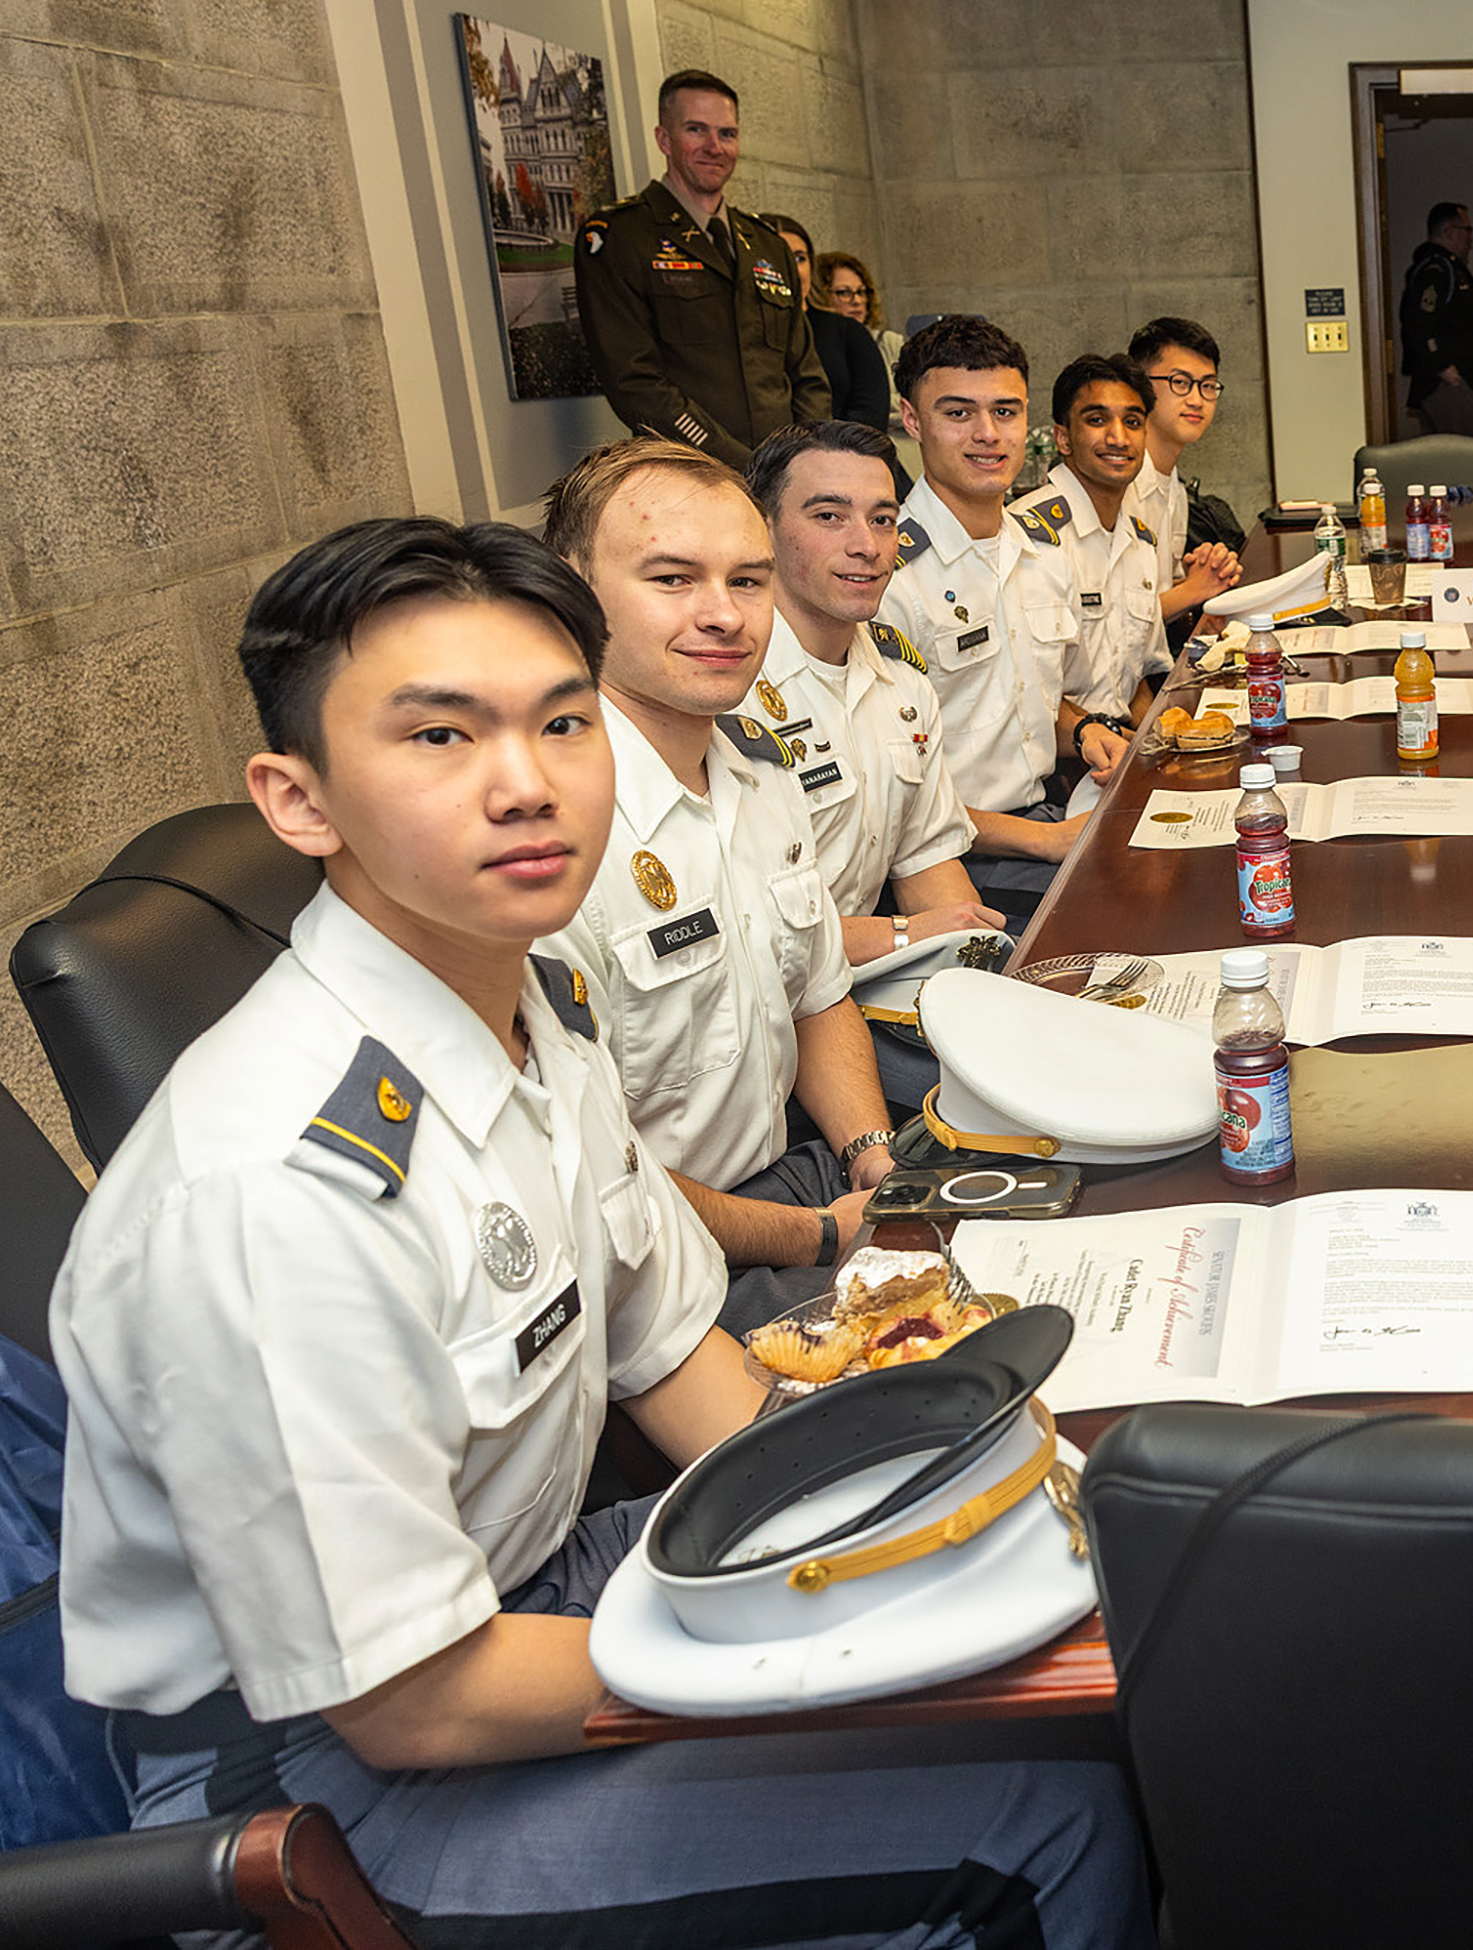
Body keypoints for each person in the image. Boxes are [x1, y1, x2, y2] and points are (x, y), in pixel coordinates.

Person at [49, 515, 1151, 1946]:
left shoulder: (520, 1010)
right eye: (441, 739)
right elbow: (410, 1696)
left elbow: (681, 1354)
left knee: (1071, 1591)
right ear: (298, 799)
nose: (527, 785)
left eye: (562, 722)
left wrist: (874, 1508)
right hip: (329, 1776)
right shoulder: (271, 1190)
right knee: (1042, 1822)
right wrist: (833, 1651)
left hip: (532, 1582)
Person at [535, 438, 902, 1334]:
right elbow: (595, 1178)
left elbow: (817, 998)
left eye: (747, 581)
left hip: (800, 1181)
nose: (725, 616)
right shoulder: (549, 839)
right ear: (572, 593)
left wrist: (874, 1158)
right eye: (671, 580)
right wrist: (814, 1236)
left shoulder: (757, 771)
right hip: (662, 1270)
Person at [740, 420, 1012, 1101]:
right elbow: (755, 940)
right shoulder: (729, 696)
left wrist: (972, 968)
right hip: (774, 1019)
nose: (866, 546)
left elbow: (927, 859)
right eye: (829, 516)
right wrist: (910, 931)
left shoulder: (901, 680)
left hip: (881, 975)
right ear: (764, 532)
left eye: (883, 519)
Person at [878, 316, 1104, 923]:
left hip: (1044, 816)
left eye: (1005, 412)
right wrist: (1049, 840)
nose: (988, 435)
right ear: (912, 419)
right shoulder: (888, 577)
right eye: (958, 414)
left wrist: (1083, 732)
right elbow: (894, 799)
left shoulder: (1040, 553)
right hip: (952, 861)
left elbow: (1020, 699)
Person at [573, 69, 828, 471]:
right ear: (664, 139)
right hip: (691, 473)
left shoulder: (767, 244)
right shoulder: (622, 238)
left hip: (786, 475)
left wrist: (803, 456)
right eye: (696, 130)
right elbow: (635, 383)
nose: (715, 147)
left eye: (727, 134)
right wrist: (735, 461)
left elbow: (805, 371)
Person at [1034, 355, 1167, 789]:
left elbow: (1139, 682)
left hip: (1121, 752)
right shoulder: (1030, 541)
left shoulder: (1139, 541)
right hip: (1057, 769)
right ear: (1063, 438)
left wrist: (1165, 742)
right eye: (1096, 420)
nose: (1118, 437)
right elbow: (1026, 696)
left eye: (1132, 422)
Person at [1125, 315, 1244, 655]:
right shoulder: (1119, 485)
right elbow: (1113, 619)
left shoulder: (1174, 487)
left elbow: (1157, 594)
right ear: (1140, 386)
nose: (1197, 399)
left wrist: (1202, 578)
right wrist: (1195, 590)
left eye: (1208, 385)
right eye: (1180, 382)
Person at [765, 213, 891, 439]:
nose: (789, 268)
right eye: (774, 256)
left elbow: (870, 413)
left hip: (844, 459)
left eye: (799, 258)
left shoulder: (846, 330)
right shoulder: (743, 334)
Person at [1399, 202, 1473, 438]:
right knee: (1467, 458)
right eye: (1467, 230)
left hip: (1454, 379)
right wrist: (1440, 365)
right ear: (1450, 232)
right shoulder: (1437, 270)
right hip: (1447, 384)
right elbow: (1419, 322)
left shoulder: (1448, 268)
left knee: (1448, 464)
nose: (1471, 240)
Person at [817, 250, 905, 400]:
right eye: (844, 292)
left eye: (861, 292)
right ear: (821, 295)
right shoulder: (817, 349)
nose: (857, 300)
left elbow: (914, 402)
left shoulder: (889, 342)